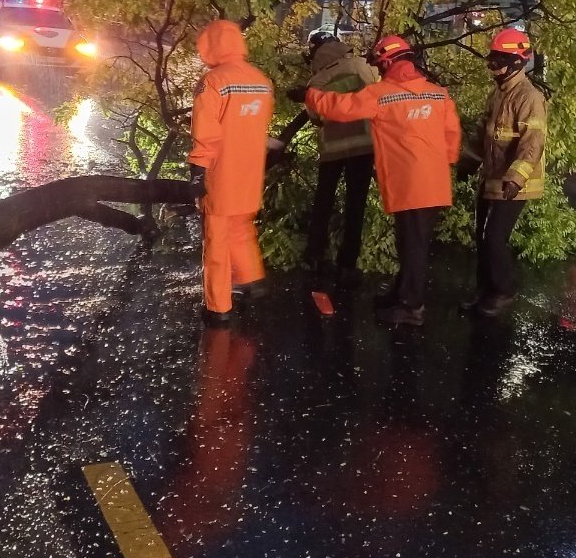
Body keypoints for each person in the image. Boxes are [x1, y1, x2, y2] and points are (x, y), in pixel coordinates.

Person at [306, 35, 460, 327]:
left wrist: (310, 94)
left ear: (388, 61)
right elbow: (452, 136)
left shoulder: (382, 94)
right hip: (433, 181)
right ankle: (402, 294)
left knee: (412, 245)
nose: (378, 69)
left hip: (408, 181)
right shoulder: (438, 94)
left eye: (379, 64)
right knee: (411, 241)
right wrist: (442, 164)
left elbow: (341, 107)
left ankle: (412, 306)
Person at [188, 19, 275, 327]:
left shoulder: (213, 81)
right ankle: (253, 280)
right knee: (241, 229)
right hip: (250, 174)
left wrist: (197, 172)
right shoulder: (261, 80)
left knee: (217, 243)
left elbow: (206, 132)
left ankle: (218, 307)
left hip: (221, 174)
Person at [462, 27, 546, 318]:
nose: (493, 66)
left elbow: (532, 143)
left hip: (513, 183)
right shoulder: (498, 94)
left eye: (498, 60)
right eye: (492, 60)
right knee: (482, 236)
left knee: (495, 238)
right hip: (492, 178)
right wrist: (468, 162)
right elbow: (482, 134)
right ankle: (485, 291)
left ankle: (503, 291)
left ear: (517, 63)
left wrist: (516, 178)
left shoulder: (528, 97)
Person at [290, 32, 379, 286]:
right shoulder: (363, 66)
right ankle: (347, 265)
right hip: (363, 147)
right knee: (355, 207)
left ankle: (315, 255)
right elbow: (377, 100)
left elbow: (316, 117)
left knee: (323, 203)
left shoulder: (316, 80)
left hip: (332, 149)